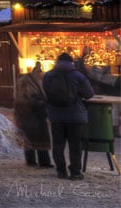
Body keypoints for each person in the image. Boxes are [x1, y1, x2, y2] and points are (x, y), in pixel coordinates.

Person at [43, 52, 95, 180]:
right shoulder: (78, 76)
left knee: (58, 145)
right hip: (75, 117)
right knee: (75, 145)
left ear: (57, 61)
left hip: (55, 116)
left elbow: (45, 93)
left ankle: (61, 171)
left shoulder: (48, 76)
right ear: (72, 63)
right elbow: (89, 94)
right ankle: (75, 173)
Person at [13, 62, 51, 168]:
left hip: (27, 117)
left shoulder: (28, 81)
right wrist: (42, 104)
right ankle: (43, 162)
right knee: (39, 139)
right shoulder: (29, 83)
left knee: (30, 139)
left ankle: (32, 161)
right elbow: (28, 99)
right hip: (33, 117)